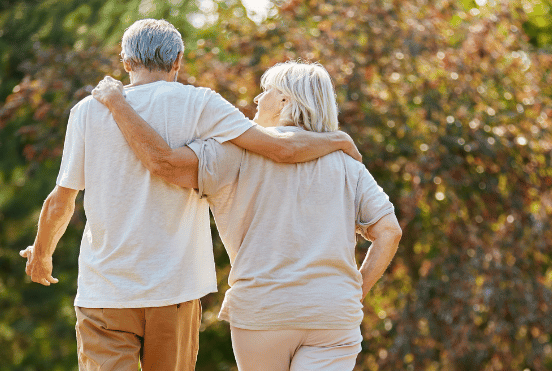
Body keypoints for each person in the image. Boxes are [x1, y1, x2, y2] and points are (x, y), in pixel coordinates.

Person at [19, 20, 360, 371]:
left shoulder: (88, 111)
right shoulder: (201, 104)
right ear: (178, 59)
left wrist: (42, 253)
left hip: (105, 292)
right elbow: (279, 147)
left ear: (125, 62)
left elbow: (61, 199)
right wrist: (337, 140)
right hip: (175, 290)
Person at [90, 60, 402, 371]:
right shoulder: (348, 163)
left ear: (284, 101)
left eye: (266, 91)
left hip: (263, 311)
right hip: (332, 313)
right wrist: (354, 291)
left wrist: (118, 105)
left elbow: (165, 163)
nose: (256, 99)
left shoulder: (233, 153)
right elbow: (389, 232)